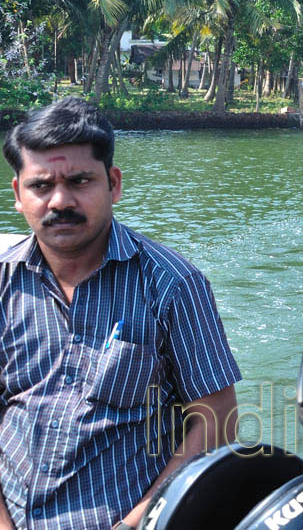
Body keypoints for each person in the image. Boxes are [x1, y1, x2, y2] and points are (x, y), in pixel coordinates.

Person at [0, 98, 241, 530]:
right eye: (41, 186)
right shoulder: (3, 283)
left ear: (113, 184)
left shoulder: (172, 285)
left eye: (79, 181)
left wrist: (136, 523)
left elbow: (218, 421)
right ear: (19, 194)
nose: (60, 200)